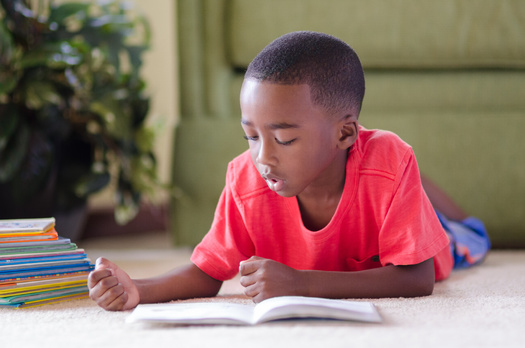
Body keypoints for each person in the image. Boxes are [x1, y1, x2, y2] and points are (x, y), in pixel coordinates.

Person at [88, 31, 490, 311]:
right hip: (378, 192)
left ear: (345, 133)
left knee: (470, 230)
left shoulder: (387, 160)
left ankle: (425, 193)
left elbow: (416, 279)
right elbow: (207, 273)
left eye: (283, 140)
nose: (264, 157)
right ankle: (416, 190)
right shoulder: (246, 178)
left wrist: (302, 283)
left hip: (442, 240)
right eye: (251, 136)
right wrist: (137, 289)